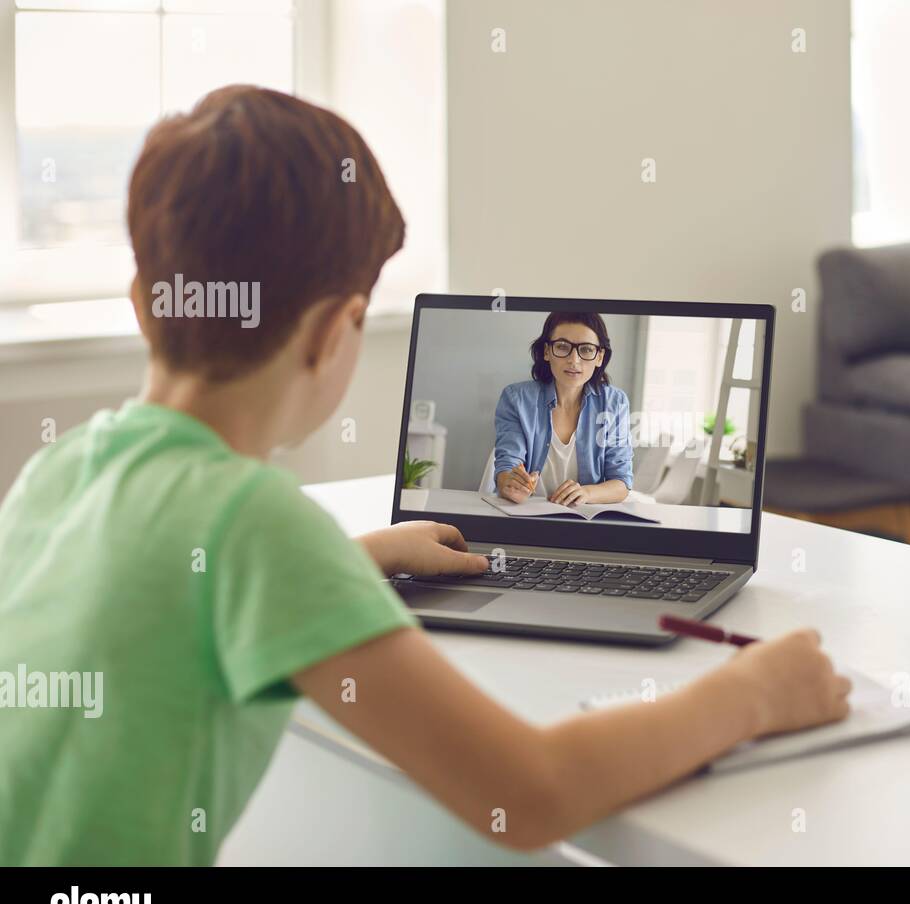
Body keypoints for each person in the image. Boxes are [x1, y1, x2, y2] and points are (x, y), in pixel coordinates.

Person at [0, 86, 850, 864]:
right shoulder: (251, 521)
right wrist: (751, 696)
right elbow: (528, 792)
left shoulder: (60, 469)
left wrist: (356, 555)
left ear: (143, 300)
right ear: (336, 333)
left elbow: (177, 585)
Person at [492, 311, 632, 507]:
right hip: (527, 515)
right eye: (562, 347)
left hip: (587, 521)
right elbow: (507, 466)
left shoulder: (614, 403)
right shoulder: (517, 399)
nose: (574, 360)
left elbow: (622, 482)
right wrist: (511, 483)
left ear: (599, 356)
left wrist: (586, 493)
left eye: (586, 349)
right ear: (547, 352)